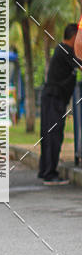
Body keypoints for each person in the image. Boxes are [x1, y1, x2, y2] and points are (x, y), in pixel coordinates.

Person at [38, 23, 79, 184]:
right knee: (53, 136)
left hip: (52, 99)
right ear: (74, 37)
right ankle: (49, 174)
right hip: (53, 99)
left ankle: (45, 171)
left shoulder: (62, 50)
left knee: (49, 135)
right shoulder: (66, 50)